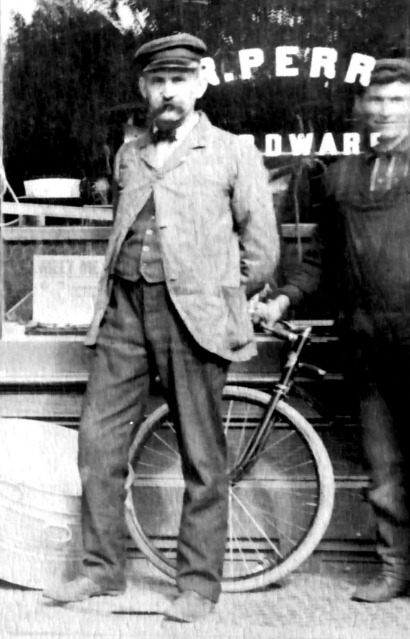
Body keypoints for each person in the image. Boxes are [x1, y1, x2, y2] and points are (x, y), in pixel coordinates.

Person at [254, 58, 410, 625]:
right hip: (363, 336)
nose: (385, 112)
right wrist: (286, 297)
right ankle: (395, 569)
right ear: (361, 110)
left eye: (397, 101)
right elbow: (320, 262)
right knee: (384, 464)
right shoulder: (339, 178)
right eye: (376, 102)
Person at [52, 33, 277, 625]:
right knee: (97, 444)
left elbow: (262, 252)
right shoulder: (129, 155)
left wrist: (218, 297)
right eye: (158, 81)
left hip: (194, 322)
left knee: (203, 457)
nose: (168, 91)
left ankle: (198, 585)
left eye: (180, 80)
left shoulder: (232, 152)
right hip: (125, 313)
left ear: (201, 83)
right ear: (143, 89)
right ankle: (102, 570)